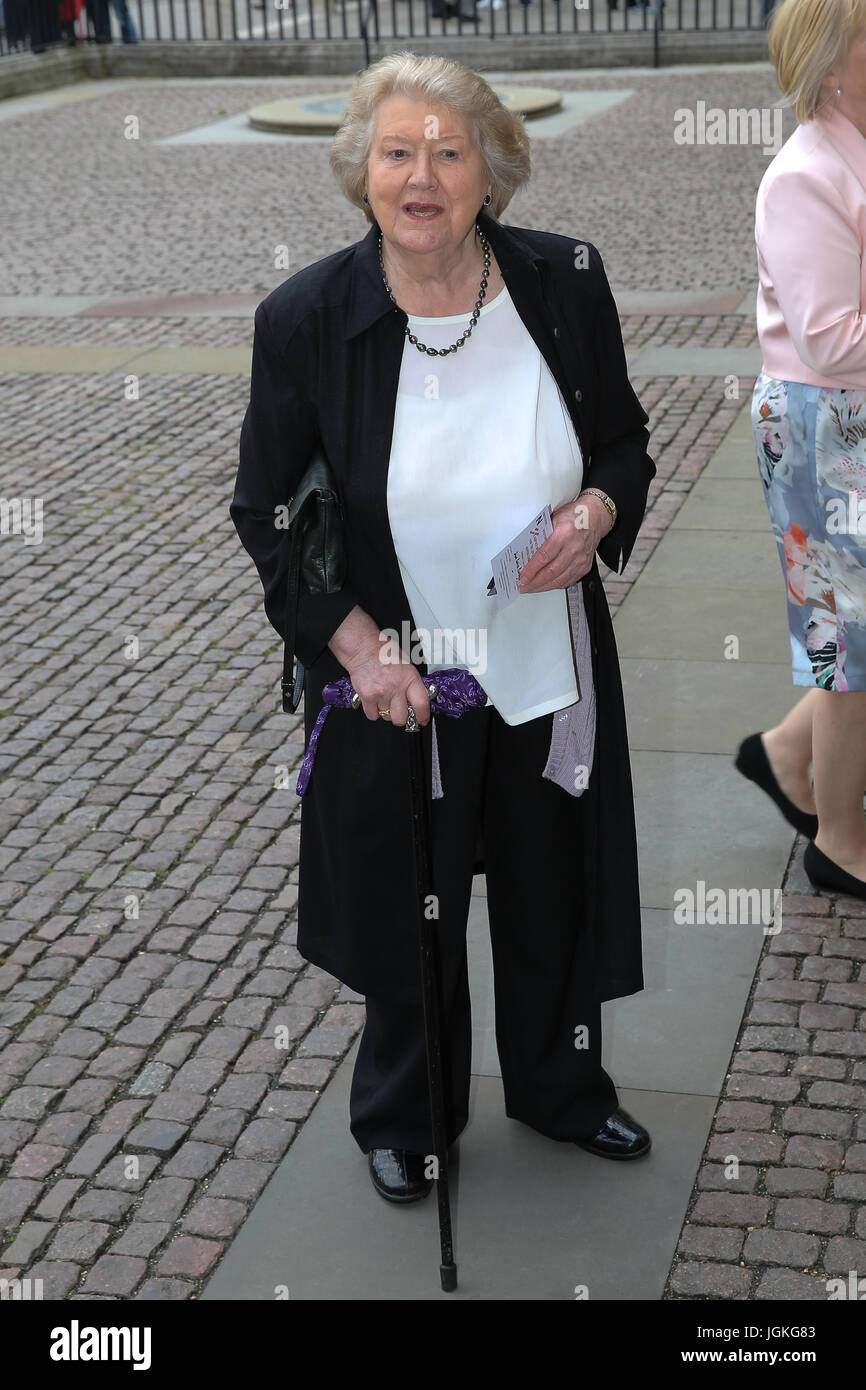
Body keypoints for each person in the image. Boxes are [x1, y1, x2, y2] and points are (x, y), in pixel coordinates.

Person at [231, 51, 656, 1204]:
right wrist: (356, 644)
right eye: (396, 152)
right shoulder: (305, 319)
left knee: (549, 884)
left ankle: (561, 1091)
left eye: (448, 151)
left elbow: (620, 439)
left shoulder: (563, 282)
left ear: (491, 172)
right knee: (407, 895)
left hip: (541, 656)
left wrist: (597, 507)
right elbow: (265, 512)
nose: (421, 177)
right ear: (361, 171)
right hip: (400, 676)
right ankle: (408, 1117)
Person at [737, 0, 866, 901]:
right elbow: (829, 339)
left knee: (854, 637)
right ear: (832, 65)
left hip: (847, 424)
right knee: (850, 648)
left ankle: (784, 754)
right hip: (825, 431)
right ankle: (840, 839)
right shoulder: (804, 174)